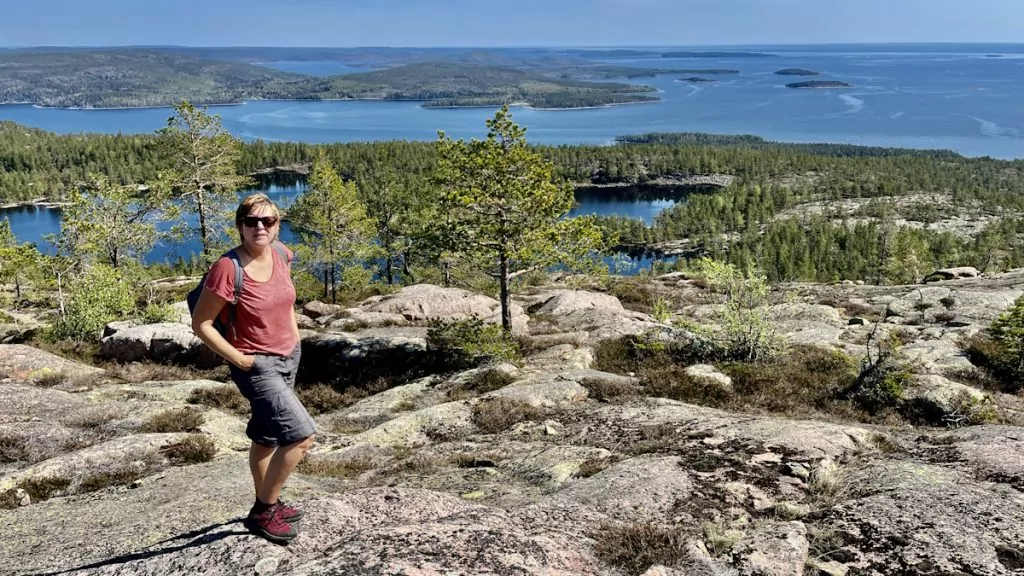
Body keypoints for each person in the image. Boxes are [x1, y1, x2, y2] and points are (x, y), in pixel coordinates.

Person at [191, 193, 316, 544]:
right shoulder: (228, 269)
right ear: (240, 226)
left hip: (288, 356)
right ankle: (264, 510)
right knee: (302, 436)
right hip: (257, 365)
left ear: (277, 226)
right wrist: (241, 360)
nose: (260, 227)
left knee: (267, 437)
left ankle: (268, 503)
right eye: (251, 221)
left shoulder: (281, 254)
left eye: (268, 221)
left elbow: (285, 300)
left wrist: (295, 338)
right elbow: (201, 324)